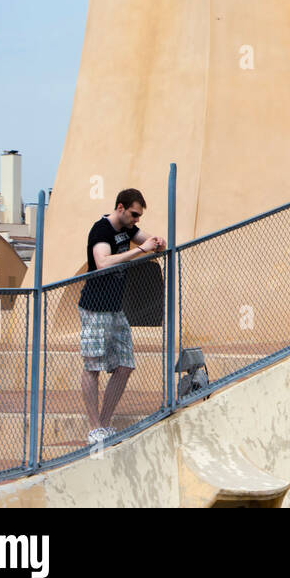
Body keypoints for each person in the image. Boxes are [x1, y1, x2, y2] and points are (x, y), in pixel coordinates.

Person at [80, 188, 164, 445]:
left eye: (139, 216)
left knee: (125, 365)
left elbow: (154, 243)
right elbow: (103, 262)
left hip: (116, 308)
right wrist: (141, 250)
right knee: (92, 366)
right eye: (134, 214)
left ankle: (104, 423)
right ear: (120, 208)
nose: (136, 220)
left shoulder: (127, 228)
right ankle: (94, 427)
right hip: (96, 307)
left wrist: (157, 243)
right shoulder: (102, 230)